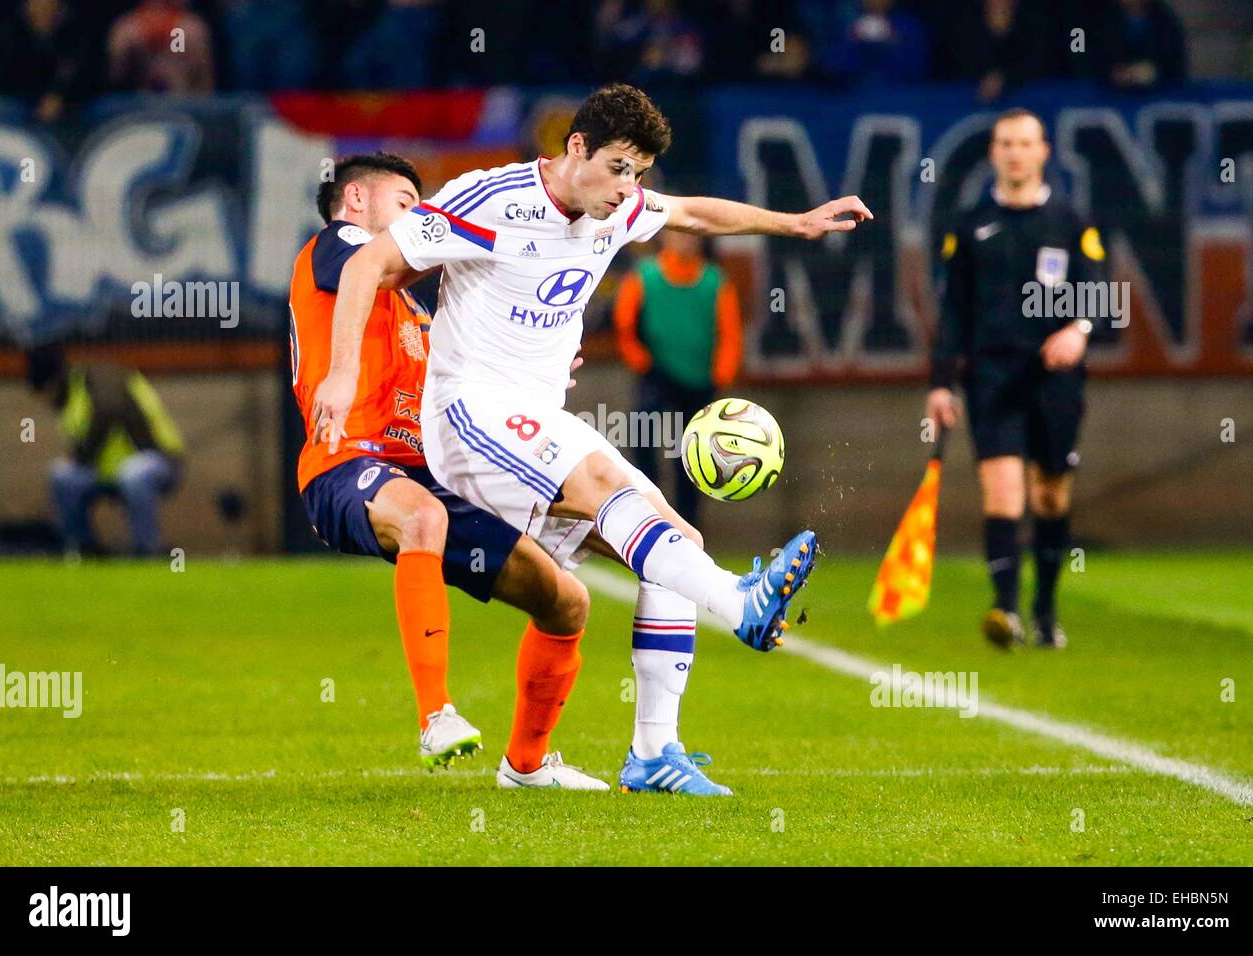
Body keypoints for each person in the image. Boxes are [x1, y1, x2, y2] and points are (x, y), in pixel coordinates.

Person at [314, 83, 873, 795]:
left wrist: (794, 224)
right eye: (615, 167)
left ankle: (653, 753)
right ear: (574, 148)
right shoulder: (490, 201)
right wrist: (340, 374)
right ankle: (741, 604)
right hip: (468, 413)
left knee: (676, 546)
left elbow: (693, 211)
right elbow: (368, 264)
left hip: (536, 416)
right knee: (611, 491)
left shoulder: (625, 205)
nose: (626, 189)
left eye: (637, 172)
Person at [292, 152, 606, 789]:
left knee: (565, 601)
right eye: (407, 203)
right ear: (355, 200)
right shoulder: (339, 247)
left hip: (428, 474)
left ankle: (525, 766)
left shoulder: (415, 311)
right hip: (344, 461)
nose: (421, 217)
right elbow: (363, 264)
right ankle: (436, 714)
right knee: (423, 516)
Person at [925, 108, 1108, 650]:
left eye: (1025, 143)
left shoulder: (1071, 222)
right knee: (1003, 491)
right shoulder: (971, 224)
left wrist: (1079, 328)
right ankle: (1005, 610)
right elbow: (953, 311)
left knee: (1050, 496)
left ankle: (1045, 610)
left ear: (1043, 151)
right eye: (1006, 143)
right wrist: (940, 383)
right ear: (993, 153)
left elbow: (1097, 290)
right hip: (993, 376)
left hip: (1055, 380)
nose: (1015, 152)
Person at [614, 229, 742, 530]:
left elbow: (730, 332)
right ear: (664, 238)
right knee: (641, 433)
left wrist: (721, 375)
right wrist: (642, 363)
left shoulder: (714, 281)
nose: (684, 241)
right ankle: (645, 510)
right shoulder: (644, 276)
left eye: (690, 235)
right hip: (656, 374)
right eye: (678, 234)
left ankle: (687, 524)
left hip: (699, 381)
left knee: (691, 456)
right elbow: (624, 324)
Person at [26, 345, 185, 557]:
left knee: (134, 474)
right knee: (62, 475)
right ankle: (83, 549)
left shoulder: (99, 375)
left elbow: (109, 409)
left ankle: (146, 550)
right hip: (107, 472)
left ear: (50, 384)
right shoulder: (69, 399)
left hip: (158, 458)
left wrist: (80, 456)